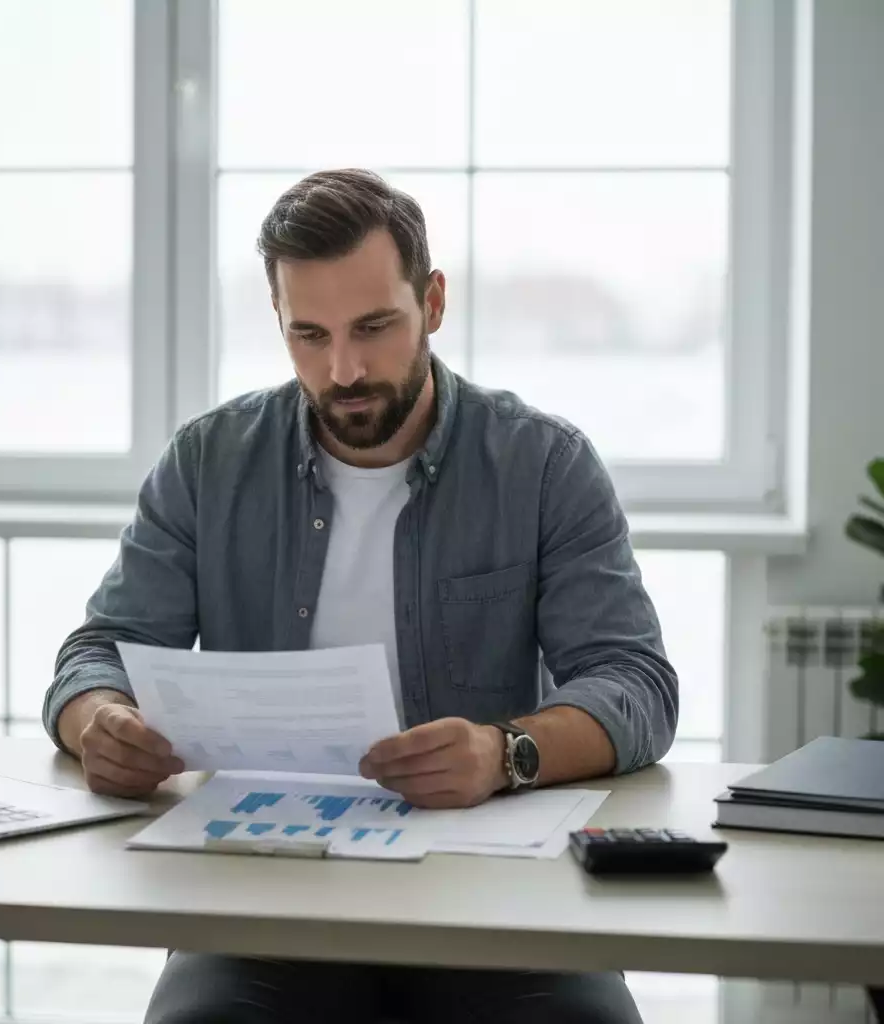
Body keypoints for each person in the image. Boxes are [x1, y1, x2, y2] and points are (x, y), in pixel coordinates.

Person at [43, 168, 678, 1024]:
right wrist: (98, 725)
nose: (343, 370)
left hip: (495, 897)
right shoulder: (209, 463)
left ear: (435, 303)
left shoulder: (543, 465)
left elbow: (635, 681)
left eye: (374, 327)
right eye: (309, 335)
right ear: (279, 323)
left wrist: (505, 752)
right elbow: (97, 651)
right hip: (263, 900)